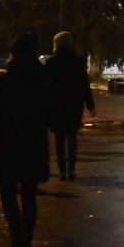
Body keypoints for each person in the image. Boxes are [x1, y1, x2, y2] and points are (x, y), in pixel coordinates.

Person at [0, 31, 53, 247]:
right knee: (29, 196)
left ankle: (17, 240)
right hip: (33, 143)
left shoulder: (5, 79)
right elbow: (51, 112)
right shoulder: (43, 78)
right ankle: (26, 242)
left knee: (8, 195)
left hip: (8, 144)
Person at [44, 31, 95, 182]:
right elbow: (85, 84)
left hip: (57, 104)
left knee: (59, 138)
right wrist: (90, 104)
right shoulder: (78, 62)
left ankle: (62, 170)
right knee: (72, 137)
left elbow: (46, 86)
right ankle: (72, 169)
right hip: (74, 104)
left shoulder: (51, 63)